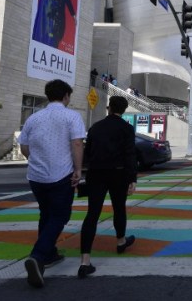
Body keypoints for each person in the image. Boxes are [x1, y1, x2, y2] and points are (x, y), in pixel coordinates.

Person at [18, 79, 85, 288]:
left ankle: (50, 253)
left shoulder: (34, 117)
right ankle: (37, 256)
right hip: (60, 175)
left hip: (36, 177)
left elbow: (24, 146)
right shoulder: (71, 116)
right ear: (66, 96)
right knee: (60, 215)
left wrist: (35, 161)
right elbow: (76, 143)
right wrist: (78, 169)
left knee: (45, 214)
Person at [78, 96, 137, 278]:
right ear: (124, 110)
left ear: (108, 108)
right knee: (119, 208)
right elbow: (130, 155)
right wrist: (132, 178)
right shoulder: (127, 128)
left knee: (92, 214)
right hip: (118, 174)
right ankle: (120, 242)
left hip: (96, 173)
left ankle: (85, 261)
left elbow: (87, 154)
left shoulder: (95, 127)